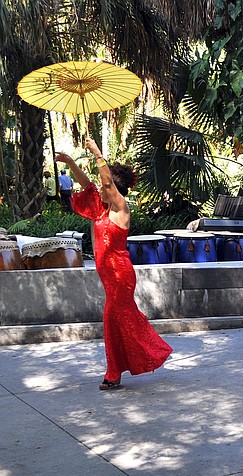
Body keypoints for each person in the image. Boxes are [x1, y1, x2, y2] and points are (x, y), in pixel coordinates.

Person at [54, 139, 172, 390]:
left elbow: (105, 181)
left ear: (114, 190)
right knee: (120, 321)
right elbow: (87, 184)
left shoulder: (121, 209)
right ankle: (133, 361)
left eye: (105, 188)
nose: (100, 189)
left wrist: (97, 153)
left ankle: (117, 370)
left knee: (113, 320)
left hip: (120, 275)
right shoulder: (101, 208)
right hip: (109, 277)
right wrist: (71, 162)